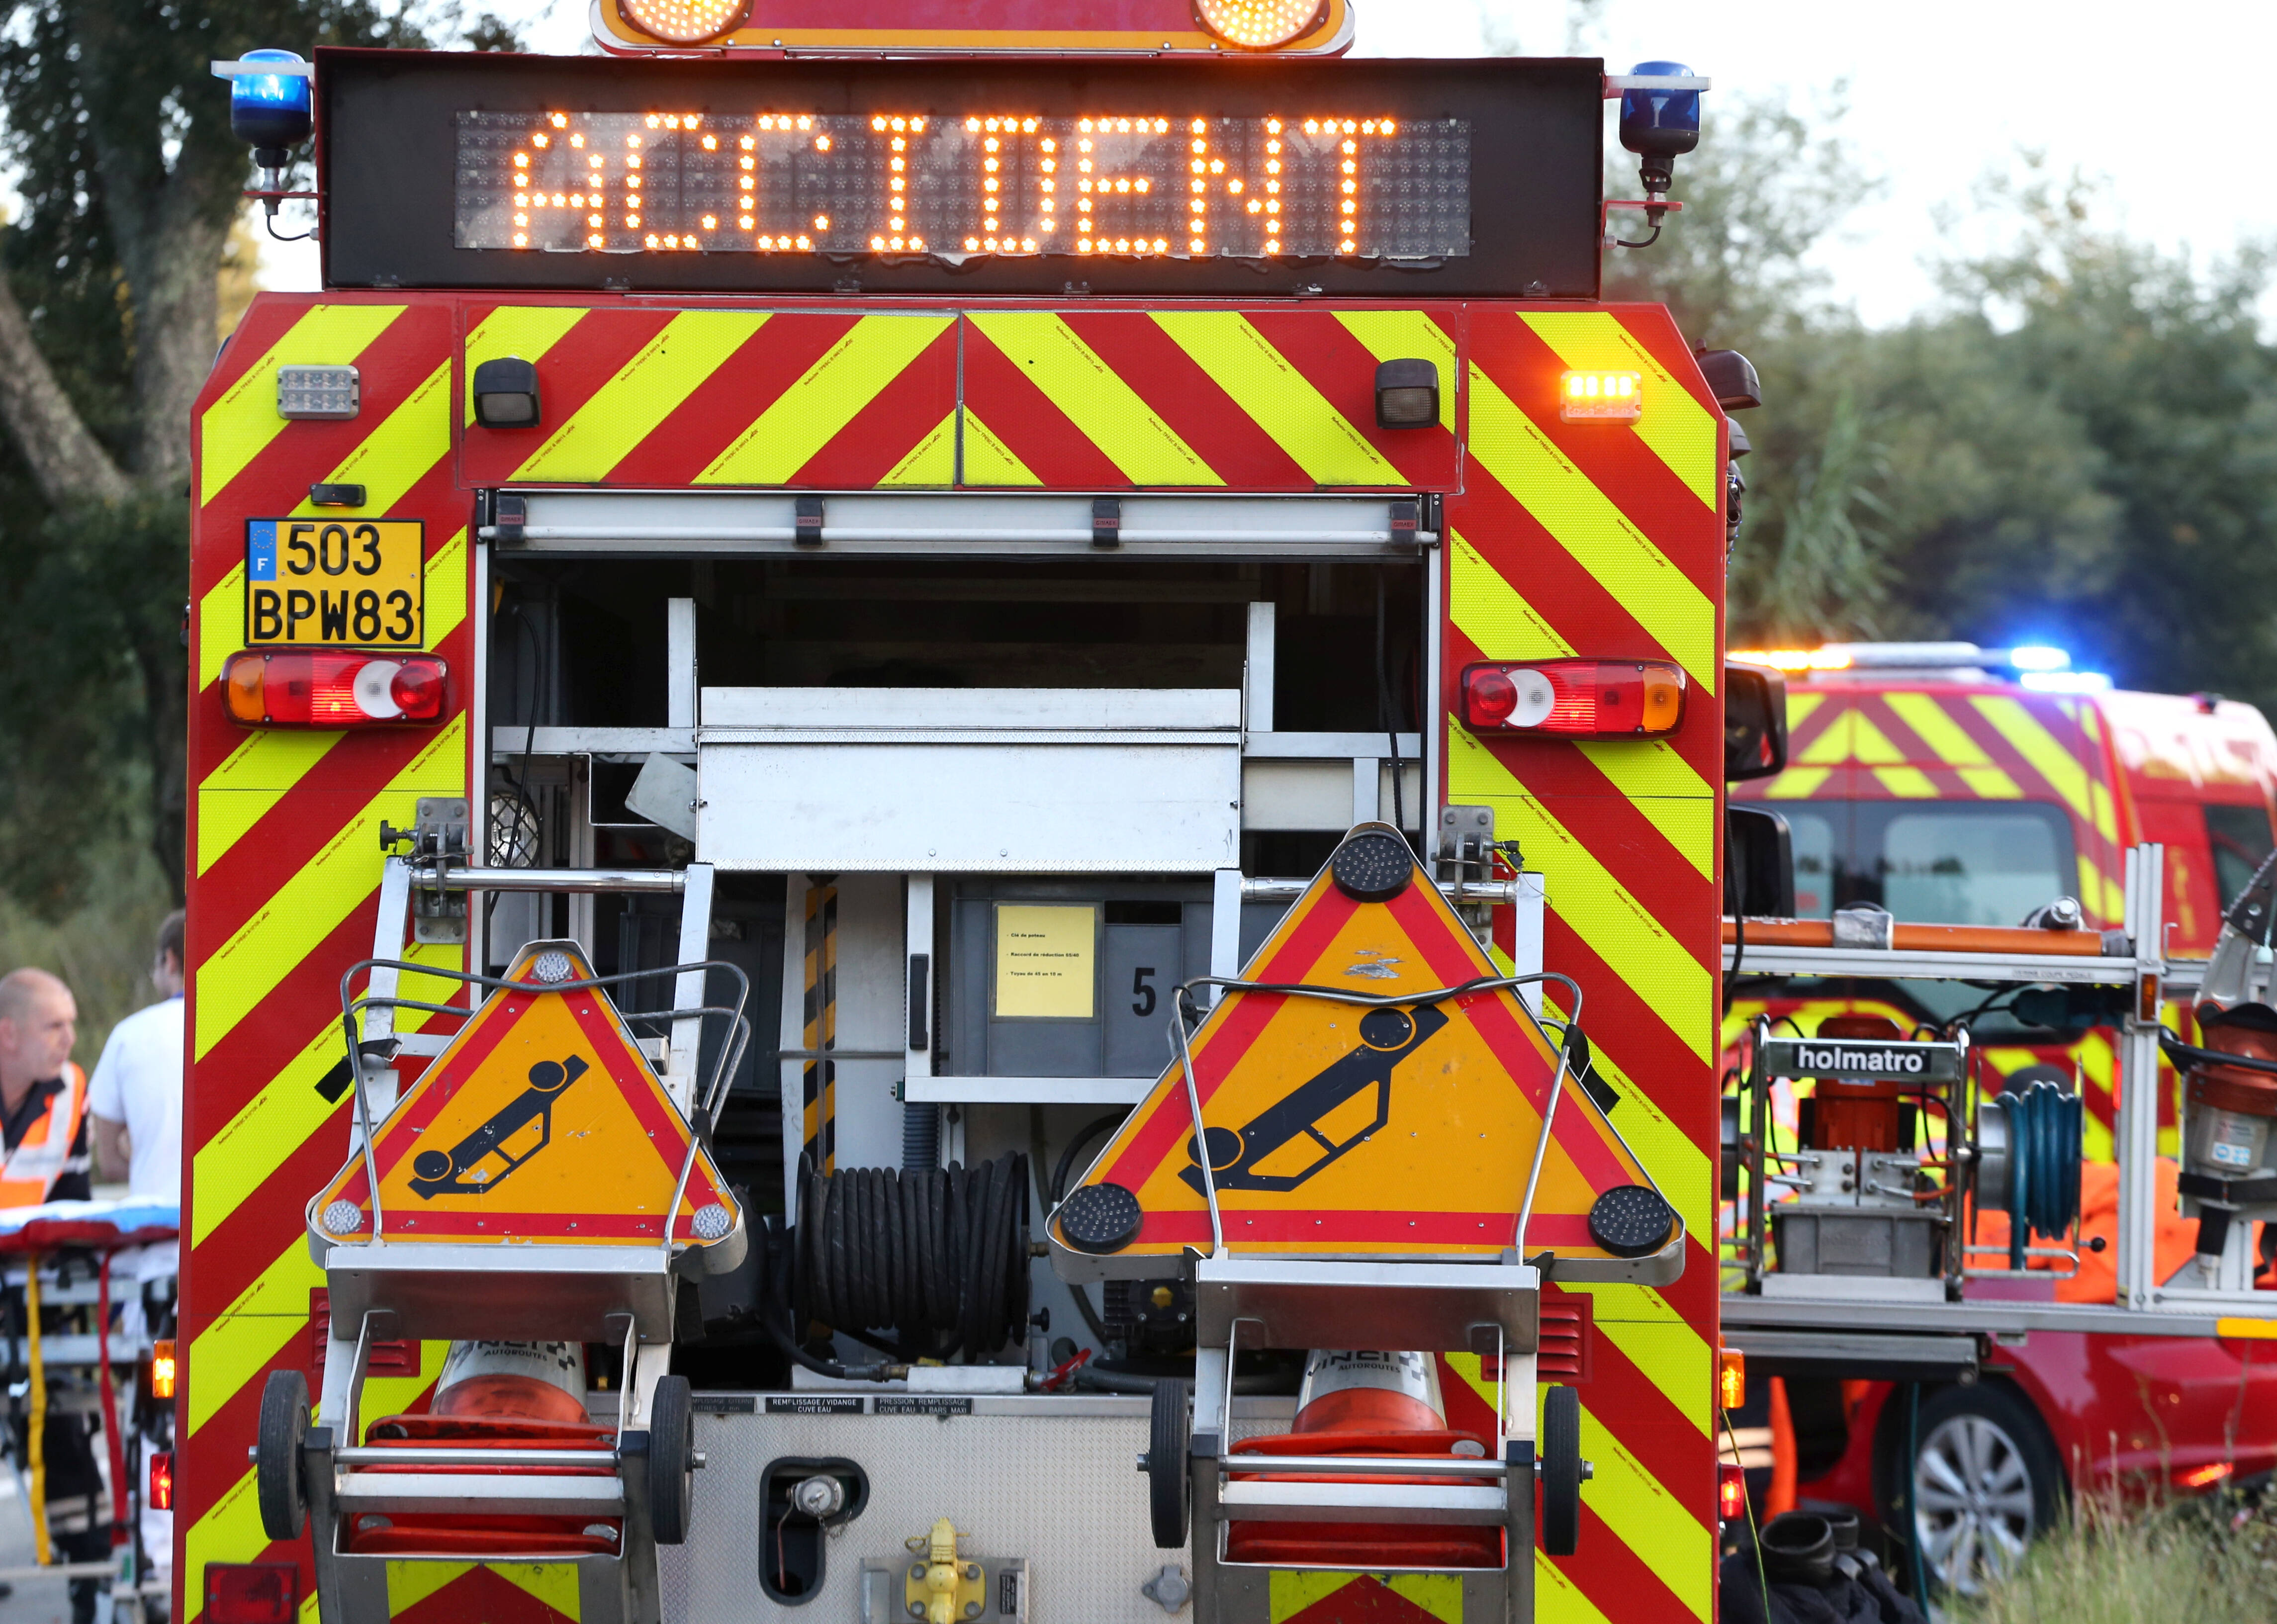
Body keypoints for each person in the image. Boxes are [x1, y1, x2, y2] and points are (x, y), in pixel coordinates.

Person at [0, 967, 103, 1622]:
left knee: (64, 1427)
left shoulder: (70, 1091)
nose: (70, 1037)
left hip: (34, 1287)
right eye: (54, 1025)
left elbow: (75, 1206)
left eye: (71, 1021)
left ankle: (88, 1574)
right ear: (8, 1034)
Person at [89, 911, 184, 1201]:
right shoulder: (254, 1032)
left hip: (161, 1230)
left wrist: (152, 1162)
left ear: (169, 961)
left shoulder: (129, 1036)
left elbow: (109, 1162)